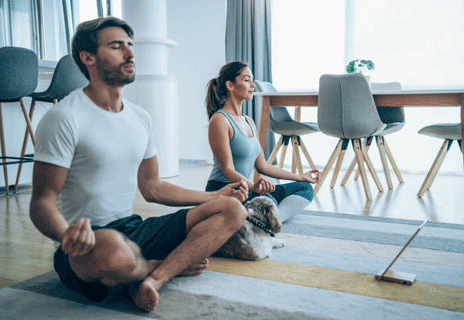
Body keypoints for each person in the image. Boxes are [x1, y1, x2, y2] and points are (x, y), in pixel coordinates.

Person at [29, 17, 249, 313]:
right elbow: (42, 202)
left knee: (233, 210)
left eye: (130, 45)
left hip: (133, 230)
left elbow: (153, 188)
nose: (130, 54)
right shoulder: (64, 118)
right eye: (117, 46)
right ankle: (156, 265)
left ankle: (153, 279)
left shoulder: (139, 118)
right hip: (88, 245)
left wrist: (215, 197)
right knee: (114, 252)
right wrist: (65, 235)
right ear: (88, 57)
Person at [205, 61, 321, 222]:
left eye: (252, 80)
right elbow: (228, 170)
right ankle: (268, 220)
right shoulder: (220, 120)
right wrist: (254, 187)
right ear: (230, 85)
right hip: (224, 189)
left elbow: (263, 166)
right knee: (268, 201)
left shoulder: (249, 122)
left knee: (305, 188)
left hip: (247, 189)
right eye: (247, 80)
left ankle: (273, 221)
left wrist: (301, 177)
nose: (253, 85)